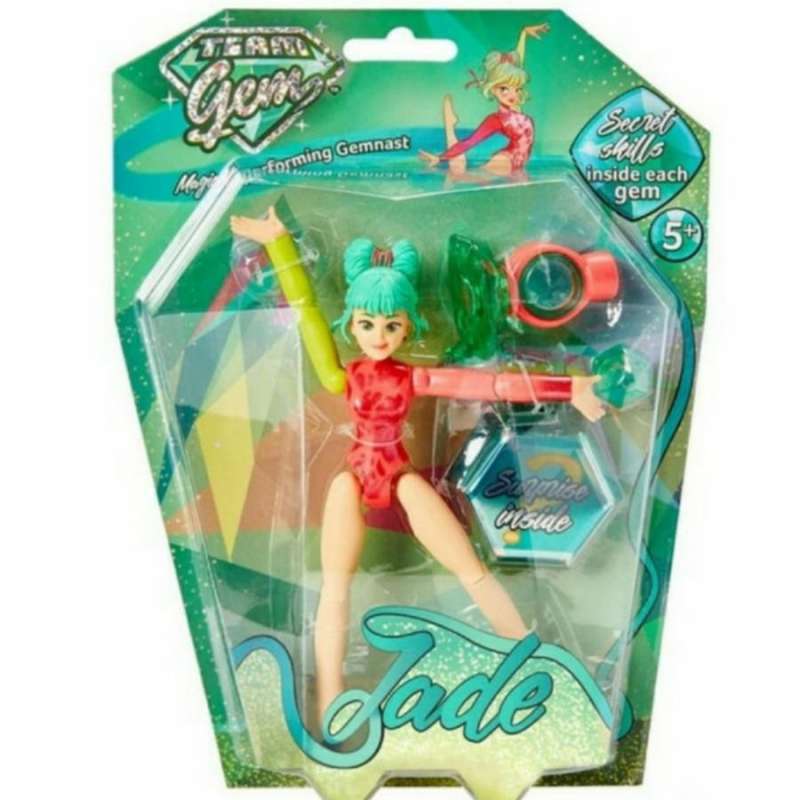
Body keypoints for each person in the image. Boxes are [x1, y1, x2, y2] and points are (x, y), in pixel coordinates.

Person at [229, 206, 604, 720]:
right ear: (352, 324)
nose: (379, 335)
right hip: (353, 477)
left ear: (408, 326)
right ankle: (330, 694)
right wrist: (278, 243)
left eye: (391, 324)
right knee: (334, 585)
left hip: (399, 475)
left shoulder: (412, 378)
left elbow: (491, 384)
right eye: (367, 323)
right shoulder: (344, 376)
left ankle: (530, 657)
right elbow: (306, 311)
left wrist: (568, 388)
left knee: (470, 569)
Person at [419, 24, 549, 176]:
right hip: (505, 160)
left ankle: (450, 132)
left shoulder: (515, 107)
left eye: (516, 88)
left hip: (518, 164)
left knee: (467, 178)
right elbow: (469, 142)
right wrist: (440, 158)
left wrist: (524, 34)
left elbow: (518, 62)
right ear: (493, 89)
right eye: (504, 89)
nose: (512, 94)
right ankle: (449, 129)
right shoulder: (496, 120)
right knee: (466, 179)